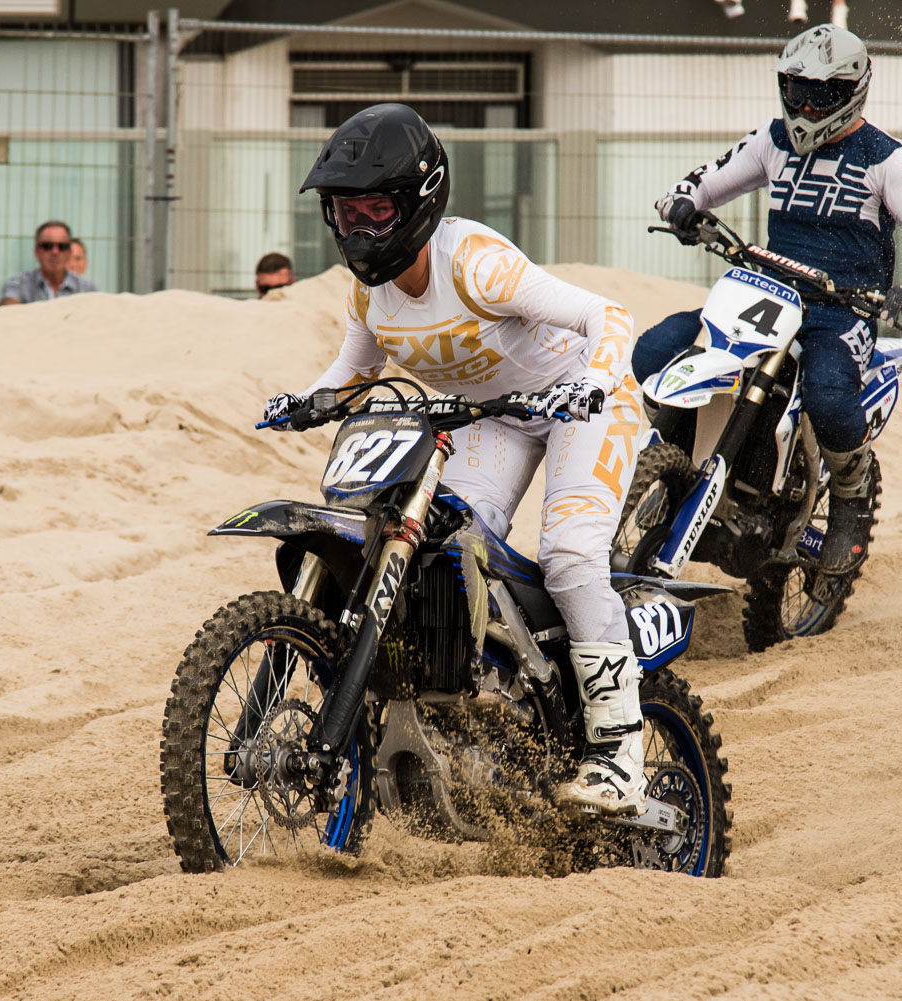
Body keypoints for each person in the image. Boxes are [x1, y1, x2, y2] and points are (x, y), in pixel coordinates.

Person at [262, 103, 647, 816]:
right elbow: (354, 372)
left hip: (583, 401)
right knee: (445, 544)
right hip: (492, 416)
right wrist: (306, 401)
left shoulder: (474, 264)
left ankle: (619, 754)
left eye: (375, 210)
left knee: (569, 553)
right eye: (345, 212)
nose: (358, 229)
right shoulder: (368, 293)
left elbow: (609, 316)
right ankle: (494, 695)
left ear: (418, 201)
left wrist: (592, 382)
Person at [635, 24, 902, 576]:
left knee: (829, 395)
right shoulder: (772, 140)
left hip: (841, 311)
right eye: (796, 89)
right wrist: (681, 205)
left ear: (852, 91)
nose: (805, 106)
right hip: (765, 292)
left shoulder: (888, 158)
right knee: (653, 350)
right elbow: (698, 183)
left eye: (821, 94)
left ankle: (851, 500)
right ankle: (678, 467)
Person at [0, 221, 97, 305]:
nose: (55, 252)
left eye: (62, 247)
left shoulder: (87, 288)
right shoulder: (19, 284)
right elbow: (8, 308)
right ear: (37, 252)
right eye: (47, 246)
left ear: (69, 252)